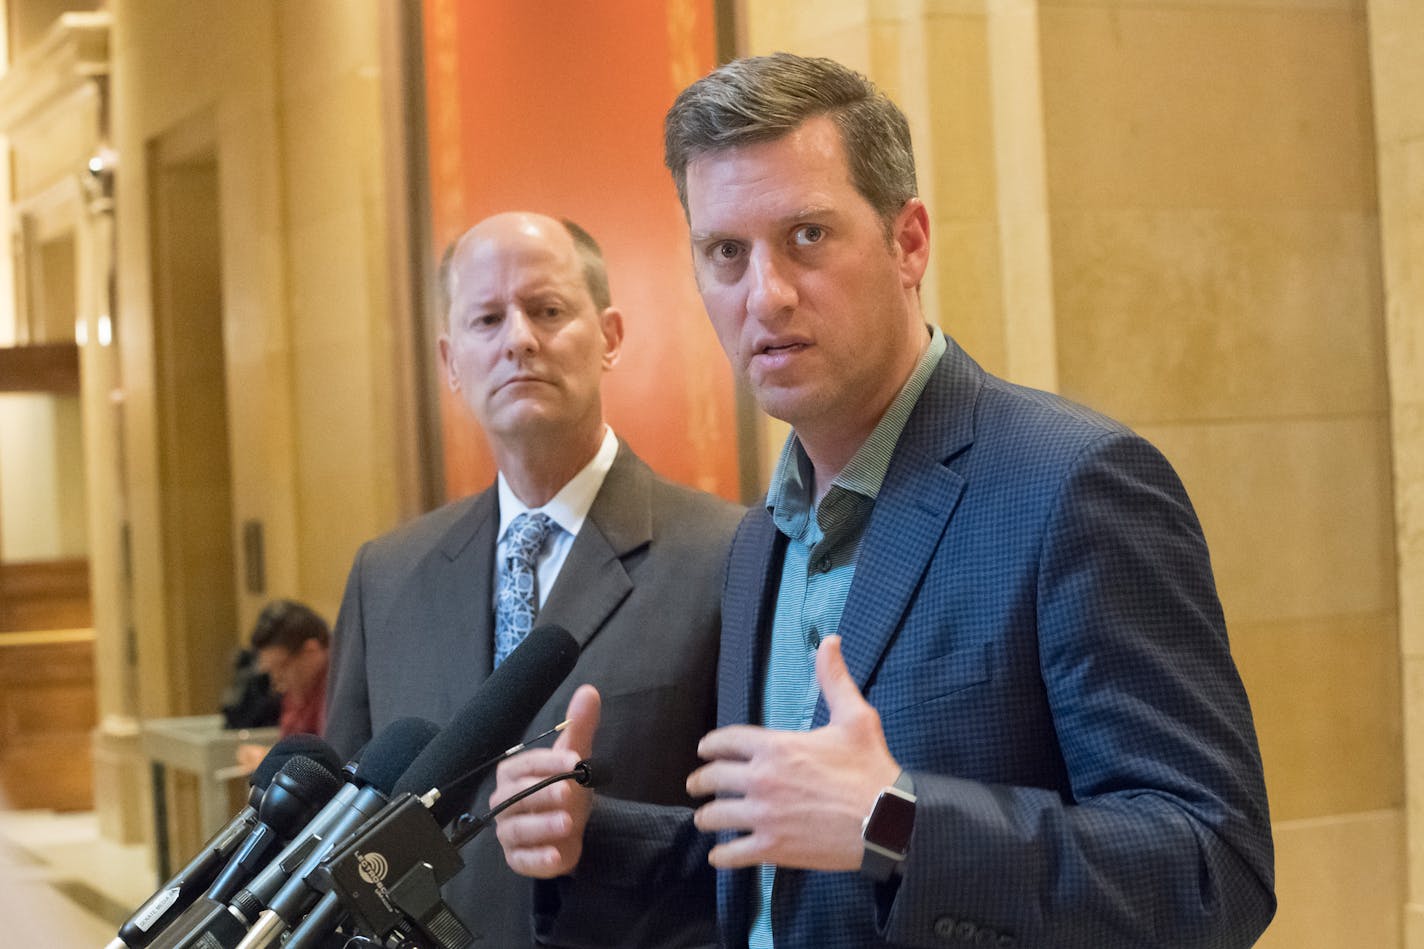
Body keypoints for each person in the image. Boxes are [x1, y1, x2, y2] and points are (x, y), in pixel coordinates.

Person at [493, 53, 1275, 949]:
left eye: (809, 237)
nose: (767, 294)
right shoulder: (758, 541)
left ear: (908, 243)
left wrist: (896, 819)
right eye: (726, 253)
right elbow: (784, 884)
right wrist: (593, 836)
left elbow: (1215, 870)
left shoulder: (1076, 485)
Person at [324, 211, 743, 946]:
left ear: (609, 337)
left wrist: (601, 829)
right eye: (487, 319)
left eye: (547, 310)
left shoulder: (727, 551)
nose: (518, 338)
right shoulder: (384, 577)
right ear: (451, 362)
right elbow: (343, 836)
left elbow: (761, 832)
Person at [234, 599, 330, 771]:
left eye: (281, 668)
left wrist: (273, 761)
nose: (277, 684)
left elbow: (334, 762)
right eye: (271, 672)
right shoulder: (298, 690)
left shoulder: (338, 691)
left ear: (310, 651)